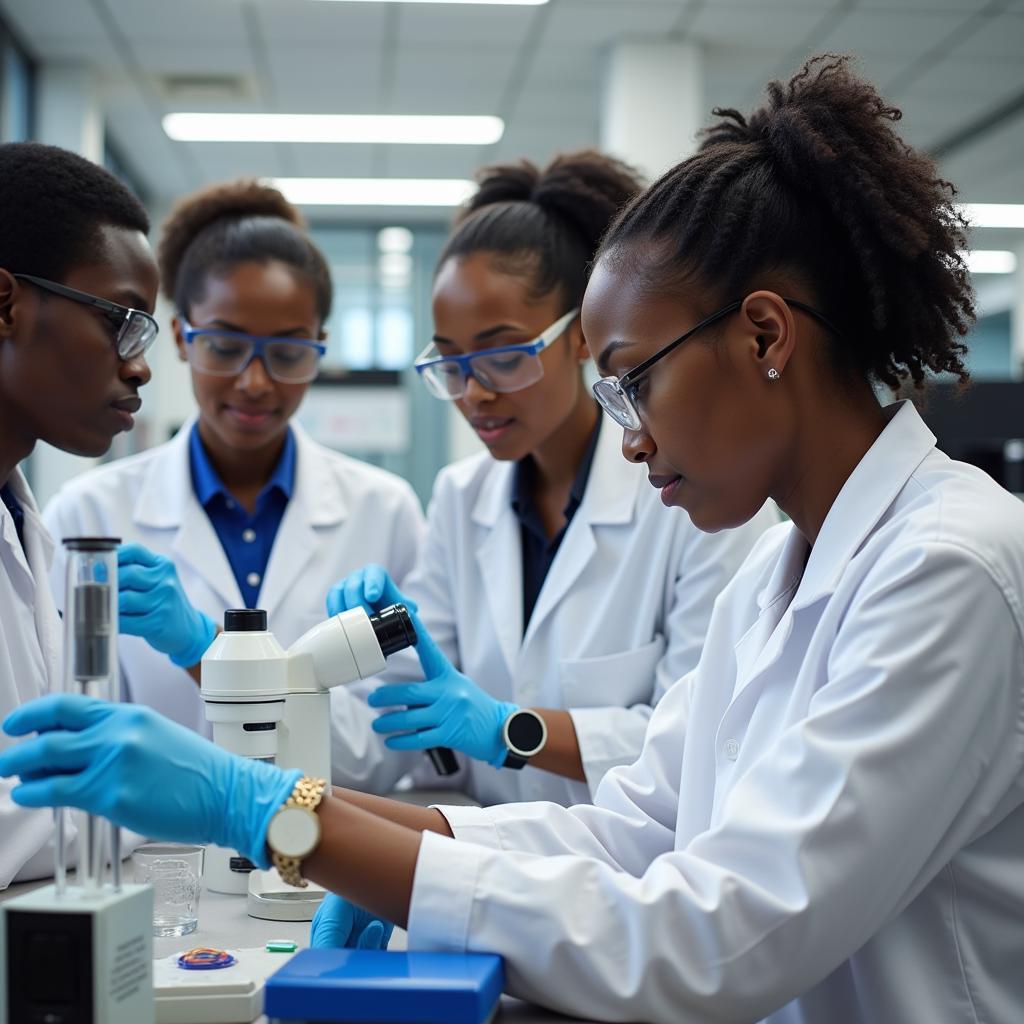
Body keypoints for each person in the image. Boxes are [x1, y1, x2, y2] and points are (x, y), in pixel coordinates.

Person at [5, 55, 1024, 1023]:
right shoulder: (776, 572)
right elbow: (624, 829)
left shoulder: (948, 568)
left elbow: (715, 935)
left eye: (633, 379)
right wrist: (328, 821)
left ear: (763, 334)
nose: (629, 435)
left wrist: (273, 810)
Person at [327, 151, 775, 804]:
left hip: (637, 880)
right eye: (451, 365)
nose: (474, 394)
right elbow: (397, 736)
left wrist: (510, 728)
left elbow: (700, 744)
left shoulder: (702, 499)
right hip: (488, 866)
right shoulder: (460, 499)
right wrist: (340, 655)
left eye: (504, 357)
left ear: (583, 337)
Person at [43, 181, 425, 733]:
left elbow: (389, 740)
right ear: (180, 337)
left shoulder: (385, 511)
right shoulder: (87, 515)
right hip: (152, 823)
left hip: (329, 819)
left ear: (320, 345)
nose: (254, 382)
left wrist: (206, 650)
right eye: (224, 347)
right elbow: (72, 720)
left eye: (289, 352)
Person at [0, 141, 159, 887]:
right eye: (121, 319)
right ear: (6, 303)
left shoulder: (29, 527)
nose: (140, 364)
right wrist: (141, 786)